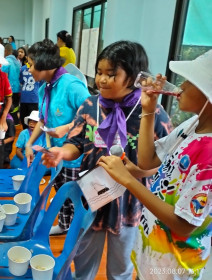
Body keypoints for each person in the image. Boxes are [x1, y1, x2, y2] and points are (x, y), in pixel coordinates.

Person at [41, 40, 172, 280]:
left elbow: (163, 162)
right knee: (83, 263)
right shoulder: (90, 106)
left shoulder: (152, 114)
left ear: (133, 77)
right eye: (99, 72)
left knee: (120, 269)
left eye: (111, 74)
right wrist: (62, 153)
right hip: (91, 197)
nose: (101, 80)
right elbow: (77, 143)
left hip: (130, 204)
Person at [98, 50, 212, 280]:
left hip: (174, 267)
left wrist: (129, 180)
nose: (181, 86)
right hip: (154, 254)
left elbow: (183, 224)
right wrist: (148, 109)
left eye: (190, 82)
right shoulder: (193, 125)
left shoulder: (208, 155)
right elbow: (148, 160)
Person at [24, 39, 90, 236]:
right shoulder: (45, 86)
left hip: (75, 156)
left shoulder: (71, 85)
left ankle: (79, 233)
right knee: (61, 191)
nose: (28, 69)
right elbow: (42, 121)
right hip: (55, 153)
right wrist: (29, 143)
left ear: (44, 63)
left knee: (76, 196)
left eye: (31, 63)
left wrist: (68, 127)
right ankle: (64, 225)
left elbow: (93, 114)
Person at [19, 56, 42, 129]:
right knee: (24, 120)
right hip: (25, 98)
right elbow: (21, 81)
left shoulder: (38, 69)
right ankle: (26, 136)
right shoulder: (23, 68)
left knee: (34, 120)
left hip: (34, 99)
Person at [2, 43, 21, 125]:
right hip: (17, 90)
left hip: (9, 91)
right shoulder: (17, 62)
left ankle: (11, 129)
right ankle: (16, 127)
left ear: (5, 51)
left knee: (8, 110)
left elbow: (4, 78)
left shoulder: (6, 62)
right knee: (15, 110)